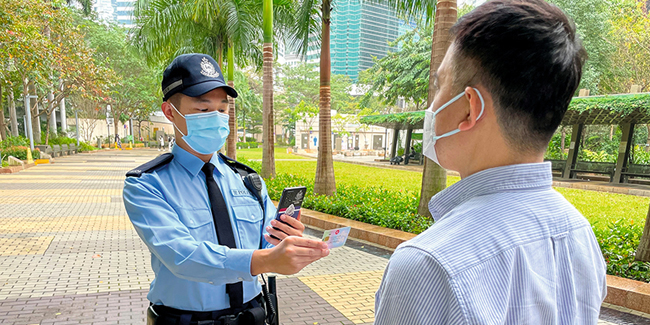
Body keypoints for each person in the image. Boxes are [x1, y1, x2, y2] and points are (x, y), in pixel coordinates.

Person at [374, 1, 607, 324]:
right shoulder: (577, 232)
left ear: (469, 108)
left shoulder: (428, 265)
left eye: (440, 86)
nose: (433, 103)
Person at [123, 53, 329, 325]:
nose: (217, 117)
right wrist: (264, 260)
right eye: (203, 109)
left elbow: (266, 242)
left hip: (253, 315)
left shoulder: (247, 179)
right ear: (170, 112)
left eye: (222, 109)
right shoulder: (147, 184)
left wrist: (284, 241)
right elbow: (182, 256)